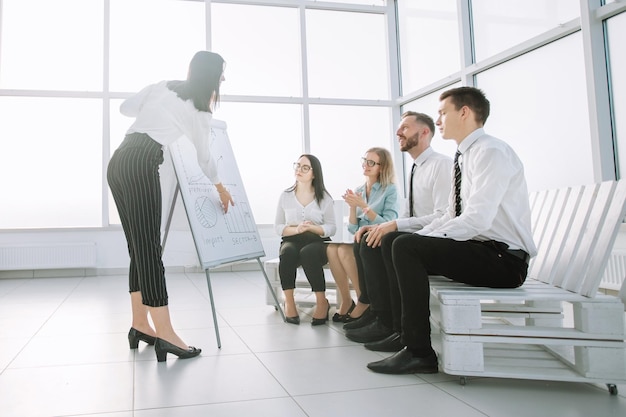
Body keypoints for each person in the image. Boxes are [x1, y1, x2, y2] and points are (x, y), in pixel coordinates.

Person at [367, 86, 537, 375]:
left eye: (442, 113)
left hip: (504, 261)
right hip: (481, 250)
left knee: (405, 246)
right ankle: (403, 334)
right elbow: (450, 214)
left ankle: (419, 352)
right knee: (397, 240)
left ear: (464, 112)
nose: (438, 120)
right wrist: (416, 236)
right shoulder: (464, 156)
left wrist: (418, 240)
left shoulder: (491, 152)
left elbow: (476, 220)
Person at [107, 51, 233, 362]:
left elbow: (126, 108)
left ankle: (140, 324)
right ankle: (165, 333)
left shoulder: (163, 85)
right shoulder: (199, 110)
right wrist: (221, 187)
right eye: (221, 76)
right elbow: (205, 159)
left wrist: (152, 108)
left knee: (138, 248)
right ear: (212, 78)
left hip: (120, 158)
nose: (223, 80)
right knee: (149, 248)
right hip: (142, 161)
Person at [344, 112, 452, 352]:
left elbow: (444, 216)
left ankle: (388, 321)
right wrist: (379, 226)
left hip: (433, 242)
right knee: (369, 238)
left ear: (424, 132)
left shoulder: (440, 165)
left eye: (405, 127)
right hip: (418, 239)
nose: (398, 132)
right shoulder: (416, 168)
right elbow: (410, 214)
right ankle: (382, 316)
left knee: (389, 240)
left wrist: (392, 226)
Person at [326, 147, 399, 322]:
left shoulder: (389, 190)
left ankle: (364, 300)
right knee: (331, 248)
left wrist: (364, 207)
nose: (366, 165)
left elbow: (389, 222)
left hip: (377, 239)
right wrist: (352, 207)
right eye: (365, 161)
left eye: (371, 162)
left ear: (382, 167)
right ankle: (347, 300)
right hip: (360, 238)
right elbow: (353, 228)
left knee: (343, 251)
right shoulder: (359, 189)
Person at [274, 154, 337, 326]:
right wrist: (297, 229)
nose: (299, 170)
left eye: (305, 167)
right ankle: (290, 302)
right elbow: (278, 226)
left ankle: (322, 301)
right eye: (297, 165)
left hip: (316, 241)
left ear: (314, 173)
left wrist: (312, 228)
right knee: (287, 253)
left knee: (308, 253)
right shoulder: (285, 195)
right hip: (292, 239)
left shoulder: (324, 197)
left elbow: (332, 227)